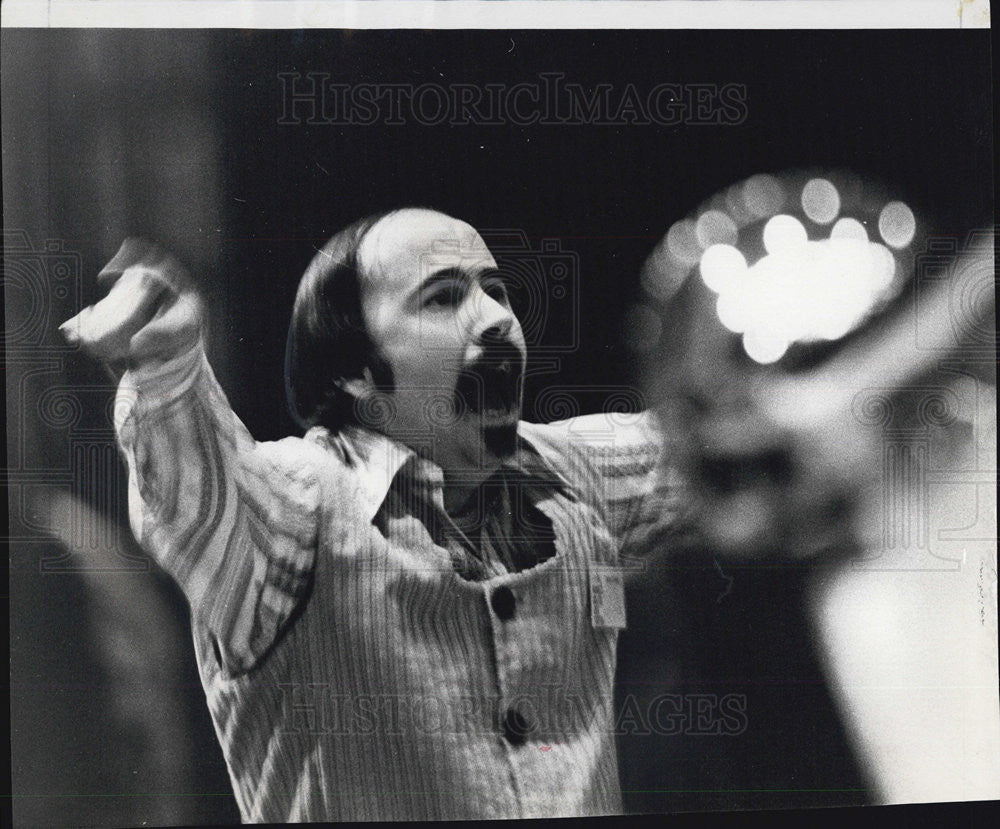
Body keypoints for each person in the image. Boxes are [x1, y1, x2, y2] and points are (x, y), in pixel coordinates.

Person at [58, 207, 791, 821]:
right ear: (355, 369)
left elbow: (761, 434)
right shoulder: (300, 502)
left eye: (496, 290)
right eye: (443, 298)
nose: (496, 318)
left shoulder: (576, 476)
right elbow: (197, 499)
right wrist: (168, 369)